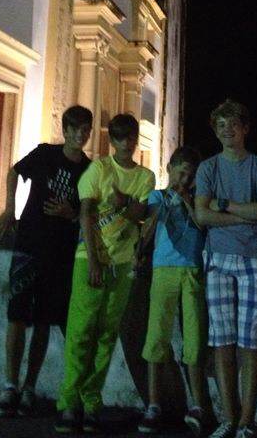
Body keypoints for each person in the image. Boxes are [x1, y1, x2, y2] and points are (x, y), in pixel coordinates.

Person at [0, 105, 93, 417]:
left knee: (44, 320)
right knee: (17, 315)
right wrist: (11, 209)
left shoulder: (89, 170)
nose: (80, 135)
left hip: (60, 252)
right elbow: (14, 172)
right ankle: (10, 384)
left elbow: (88, 213)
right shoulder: (46, 154)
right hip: (29, 242)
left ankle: (29, 388)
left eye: (85, 130)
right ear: (65, 130)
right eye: (75, 129)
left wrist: (70, 213)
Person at [55, 113, 155, 434]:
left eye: (130, 137)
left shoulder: (145, 176)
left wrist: (123, 202)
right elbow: (86, 213)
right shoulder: (98, 170)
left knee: (107, 335)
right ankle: (69, 401)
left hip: (122, 262)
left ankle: (91, 401)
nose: (126, 143)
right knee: (81, 330)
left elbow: (140, 213)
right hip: (90, 258)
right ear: (111, 141)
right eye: (120, 137)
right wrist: (94, 260)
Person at [194, 99, 257, 438]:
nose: (227, 129)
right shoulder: (208, 168)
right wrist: (246, 214)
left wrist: (225, 205)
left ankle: (246, 422)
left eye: (233, 124)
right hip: (217, 259)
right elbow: (202, 215)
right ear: (215, 131)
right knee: (222, 340)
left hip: (254, 258)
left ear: (245, 128)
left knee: (250, 341)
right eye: (221, 125)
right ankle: (229, 418)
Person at [138, 146, 210, 436]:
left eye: (190, 176)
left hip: (192, 268)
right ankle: (154, 404)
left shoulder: (197, 199)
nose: (185, 180)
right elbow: (150, 224)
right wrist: (169, 199)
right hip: (163, 268)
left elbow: (201, 223)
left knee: (194, 338)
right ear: (169, 169)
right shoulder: (157, 196)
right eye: (181, 173)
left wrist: (188, 200)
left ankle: (198, 406)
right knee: (157, 335)